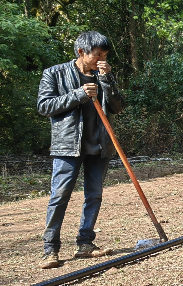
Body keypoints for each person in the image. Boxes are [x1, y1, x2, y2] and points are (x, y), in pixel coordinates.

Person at [36, 31, 126, 269]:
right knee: (59, 196)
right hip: (68, 147)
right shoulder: (54, 73)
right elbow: (44, 106)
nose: (102, 60)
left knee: (94, 196)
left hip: (100, 146)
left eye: (105, 55)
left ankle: (85, 243)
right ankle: (50, 249)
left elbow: (117, 107)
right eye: (98, 55)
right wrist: (78, 94)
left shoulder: (104, 75)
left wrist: (107, 80)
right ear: (81, 52)